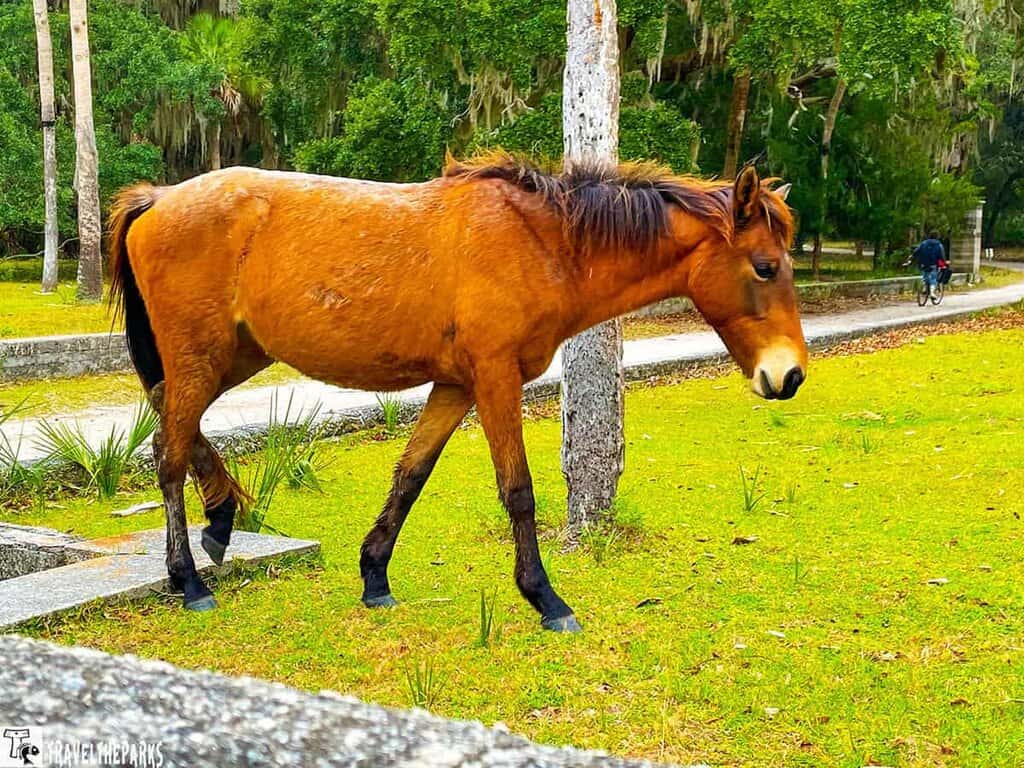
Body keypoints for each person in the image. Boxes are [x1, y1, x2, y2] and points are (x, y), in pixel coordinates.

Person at [904, 233, 945, 299]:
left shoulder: (923, 243)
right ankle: (932, 293)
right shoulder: (939, 245)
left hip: (923, 264)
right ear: (937, 237)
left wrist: (911, 259)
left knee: (925, 275)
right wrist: (943, 264)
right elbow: (941, 256)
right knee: (933, 278)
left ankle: (924, 287)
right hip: (933, 264)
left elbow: (916, 252)